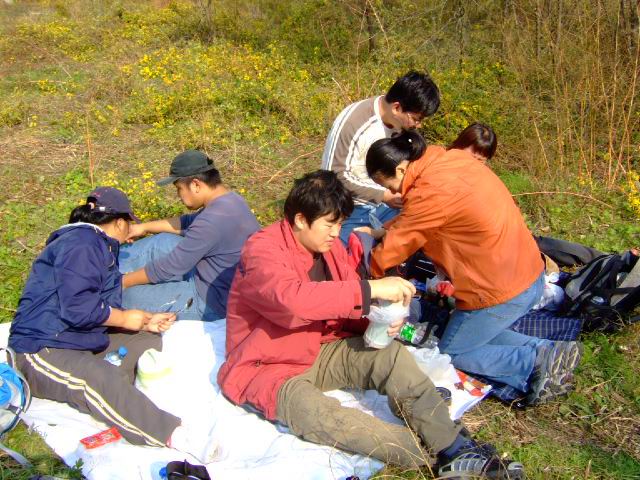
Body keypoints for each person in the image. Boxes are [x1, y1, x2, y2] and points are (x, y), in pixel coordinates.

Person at [217, 170, 526, 479]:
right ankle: (430, 453)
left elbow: (348, 301)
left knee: (389, 357)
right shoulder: (262, 250)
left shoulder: (330, 249)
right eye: (329, 224)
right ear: (300, 219)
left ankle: (453, 446)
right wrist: (370, 290)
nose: (335, 233)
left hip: (319, 348)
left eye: (340, 224)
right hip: (268, 364)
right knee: (316, 413)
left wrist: (379, 319)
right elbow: (291, 301)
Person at [364, 130, 582, 405]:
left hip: (498, 289)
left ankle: (530, 362)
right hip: (528, 273)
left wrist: (370, 280)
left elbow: (401, 240)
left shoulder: (431, 190)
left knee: (451, 352)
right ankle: (547, 350)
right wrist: (383, 230)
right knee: (478, 337)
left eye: (390, 185)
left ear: (400, 169)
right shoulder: (448, 161)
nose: (395, 193)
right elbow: (417, 218)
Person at [9, 187, 219, 462]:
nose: (130, 233)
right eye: (129, 224)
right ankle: (173, 434)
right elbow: (78, 307)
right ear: (120, 222)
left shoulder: (98, 246)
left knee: (146, 339)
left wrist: (144, 321)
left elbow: (98, 305)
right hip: (42, 347)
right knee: (96, 377)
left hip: (78, 338)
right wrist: (124, 318)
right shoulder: (81, 244)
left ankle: (116, 396)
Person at [120, 150, 260, 321]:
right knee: (162, 241)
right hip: (213, 274)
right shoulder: (229, 200)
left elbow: (168, 267)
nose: (179, 195)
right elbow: (187, 222)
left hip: (211, 300)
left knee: (128, 297)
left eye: (179, 189)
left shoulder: (212, 221)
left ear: (195, 184)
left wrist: (123, 282)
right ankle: (106, 265)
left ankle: (108, 283)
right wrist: (143, 227)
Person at [321, 71, 440, 245]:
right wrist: (382, 195)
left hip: (388, 203)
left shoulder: (402, 126)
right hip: (350, 205)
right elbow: (334, 177)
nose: (418, 125)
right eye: (416, 119)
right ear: (397, 108)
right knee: (346, 251)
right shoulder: (355, 123)